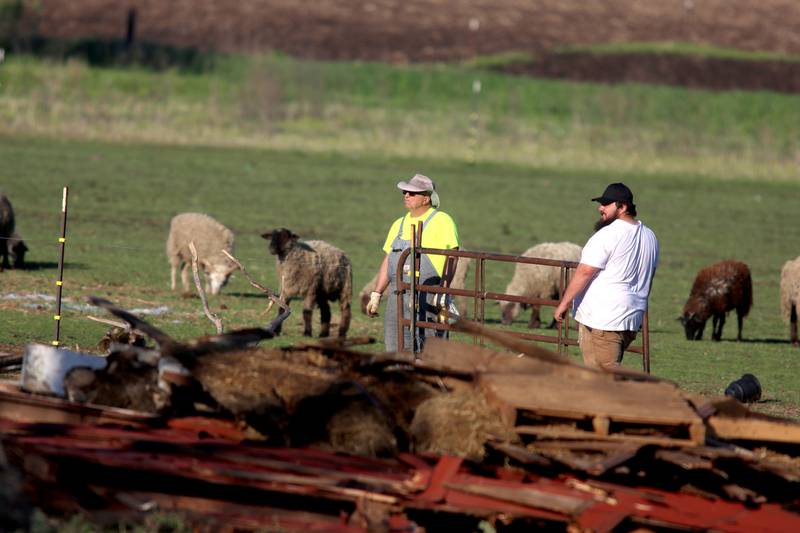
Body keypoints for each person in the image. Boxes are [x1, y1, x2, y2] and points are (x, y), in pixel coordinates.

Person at [554, 183, 659, 369]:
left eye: (606, 204)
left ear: (623, 207)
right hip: (630, 317)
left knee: (607, 375)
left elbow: (585, 271)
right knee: (597, 376)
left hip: (605, 319)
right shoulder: (650, 237)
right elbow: (648, 279)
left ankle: (644, 396)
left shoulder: (608, 234)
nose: (600, 208)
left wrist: (564, 303)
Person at [366, 174, 459, 352]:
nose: (406, 196)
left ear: (426, 198)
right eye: (405, 192)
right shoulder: (398, 224)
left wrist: (443, 290)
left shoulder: (442, 221)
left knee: (430, 350)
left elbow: (453, 256)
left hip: (429, 295)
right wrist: (376, 294)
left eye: (412, 193)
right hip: (397, 296)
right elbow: (388, 259)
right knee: (396, 348)